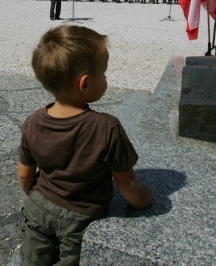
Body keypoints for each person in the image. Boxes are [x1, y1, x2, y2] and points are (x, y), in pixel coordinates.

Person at [18, 25, 153, 266]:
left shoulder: (32, 122)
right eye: (104, 73)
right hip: (81, 217)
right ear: (85, 84)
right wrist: (139, 200)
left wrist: (35, 197)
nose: (106, 78)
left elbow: (24, 174)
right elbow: (125, 180)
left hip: (37, 206)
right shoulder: (107, 127)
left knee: (33, 258)